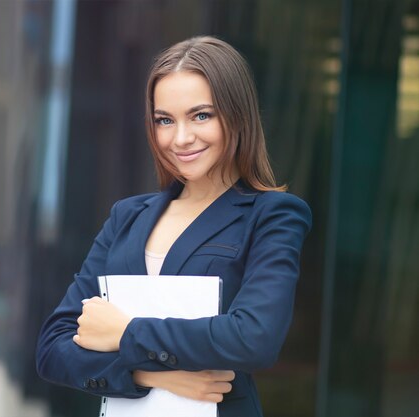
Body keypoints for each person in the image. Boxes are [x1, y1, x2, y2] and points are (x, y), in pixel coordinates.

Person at [36, 35, 312, 417]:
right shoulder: (127, 217)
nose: (180, 138)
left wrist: (125, 332)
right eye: (165, 120)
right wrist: (149, 376)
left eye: (201, 115)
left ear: (237, 115)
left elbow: (254, 338)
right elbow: (53, 348)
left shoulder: (272, 215)